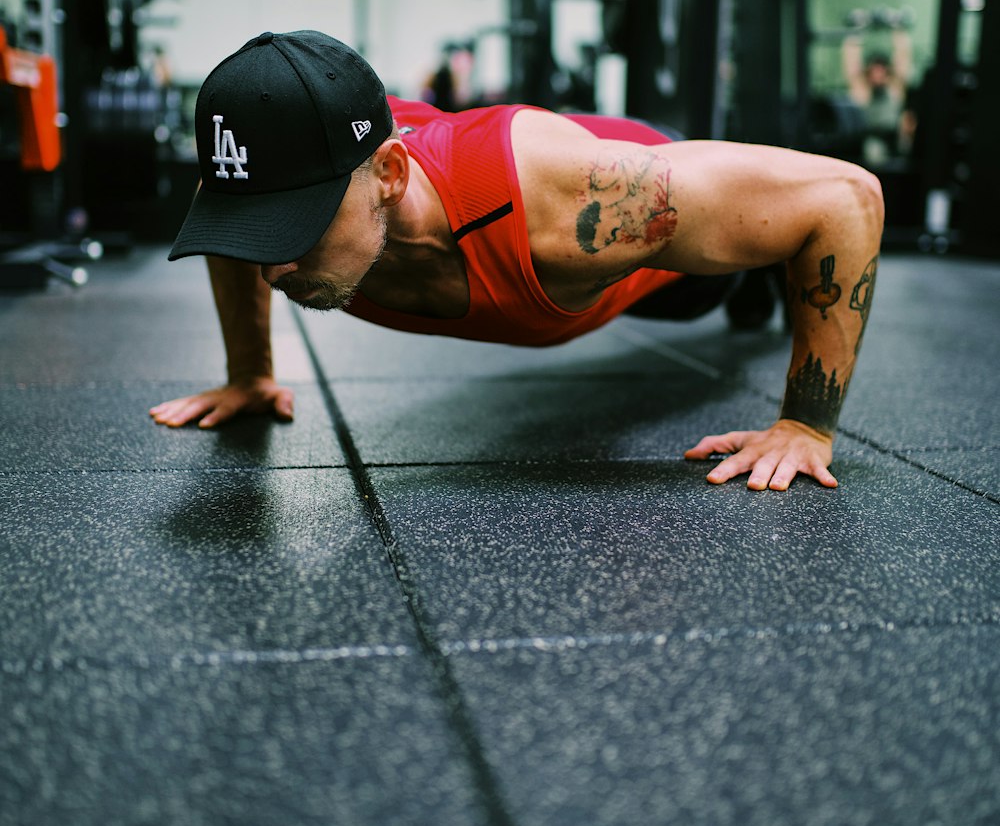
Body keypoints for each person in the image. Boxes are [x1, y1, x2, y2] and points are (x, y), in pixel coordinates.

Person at [151, 30, 884, 492]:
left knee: (720, 278)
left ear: (391, 176)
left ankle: (754, 276)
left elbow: (846, 198)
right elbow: (227, 212)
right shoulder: (298, 183)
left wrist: (806, 427)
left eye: (296, 229)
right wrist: (250, 371)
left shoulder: (575, 211)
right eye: (256, 231)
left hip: (647, 233)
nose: (273, 269)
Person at [841, 11, 914, 167]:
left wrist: (898, 29)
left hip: (896, 143)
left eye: (881, 70)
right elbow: (851, 66)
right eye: (874, 70)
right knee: (873, 150)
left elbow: (903, 59)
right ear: (868, 72)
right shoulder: (863, 91)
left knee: (909, 123)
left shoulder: (894, 88)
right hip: (869, 145)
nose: (878, 75)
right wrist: (855, 31)